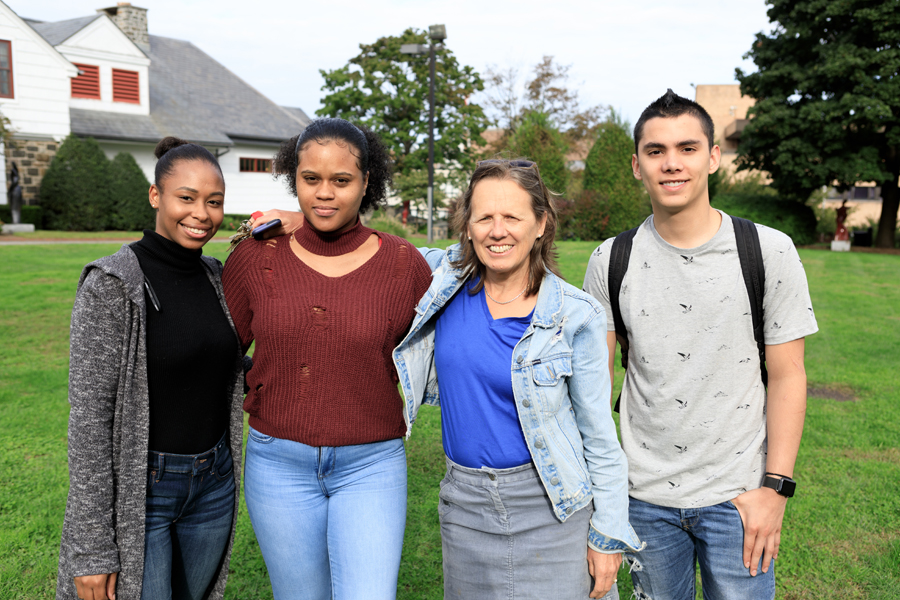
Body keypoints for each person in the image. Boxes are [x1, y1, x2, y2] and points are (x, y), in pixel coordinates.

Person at [582, 90, 818, 600]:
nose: (672, 164)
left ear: (713, 157)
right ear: (636, 165)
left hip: (739, 498)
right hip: (641, 499)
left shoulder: (769, 250)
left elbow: (789, 375)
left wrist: (774, 489)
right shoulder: (610, 259)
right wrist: (604, 498)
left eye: (688, 148)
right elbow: (594, 389)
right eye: (655, 151)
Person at [391, 158, 643, 600]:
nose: (497, 230)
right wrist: (302, 219)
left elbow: (599, 436)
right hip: (465, 510)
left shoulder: (575, 315)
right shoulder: (442, 280)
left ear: (541, 224)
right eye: (484, 216)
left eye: (512, 216)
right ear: (467, 226)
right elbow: (372, 249)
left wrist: (607, 533)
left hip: (551, 507)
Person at [222, 118, 432, 600]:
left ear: (366, 185)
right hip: (278, 465)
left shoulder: (403, 265)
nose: (324, 194)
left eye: (341, 180)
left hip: (371, 465)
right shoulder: (257, 259)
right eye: (310, 179)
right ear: (293, 179)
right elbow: (217, 350)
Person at [56, 137, 247, 600]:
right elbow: (88, 424)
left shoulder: (219, 278)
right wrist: (92, 550)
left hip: (214, 483)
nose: (201, 213)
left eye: (214, 202)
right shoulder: (113, 284)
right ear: (155, 196)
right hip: (146, 490)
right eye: (186, 197)